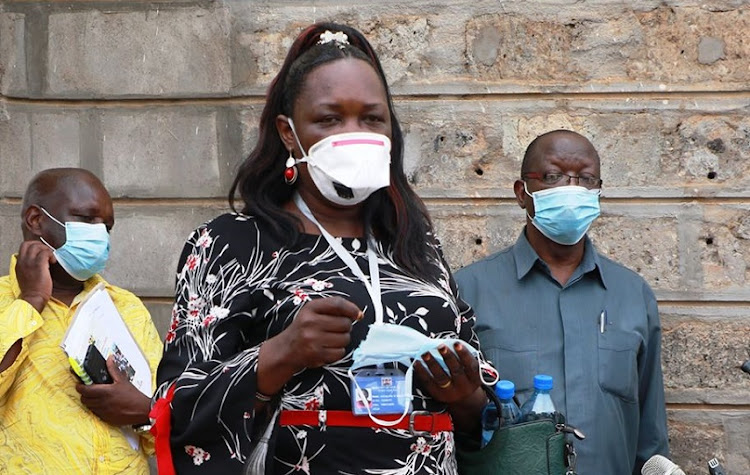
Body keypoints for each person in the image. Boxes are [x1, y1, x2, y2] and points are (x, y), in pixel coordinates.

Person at [152, 22, 488, 474]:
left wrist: (466, 396)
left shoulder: (414, 240)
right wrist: (279, 354)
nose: (354, 133)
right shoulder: (231, 243)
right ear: (289, 134)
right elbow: (176, 407)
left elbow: (482, 399)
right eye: (330, 118)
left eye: (372, 118)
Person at [455, 130, 670, 474]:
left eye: (585, 179)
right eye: (553, 177)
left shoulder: (633, 295)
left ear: (599, 193)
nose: (571, 189)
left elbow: (651, 437)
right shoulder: (467, 291)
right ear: (521, 193)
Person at [0, 168, 163, 474]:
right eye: (87, 219)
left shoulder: (125, 307)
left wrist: (143, 410)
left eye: (107, 226)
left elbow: (165, 427)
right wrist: (32, 299)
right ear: (36, 220)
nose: (100, 234)